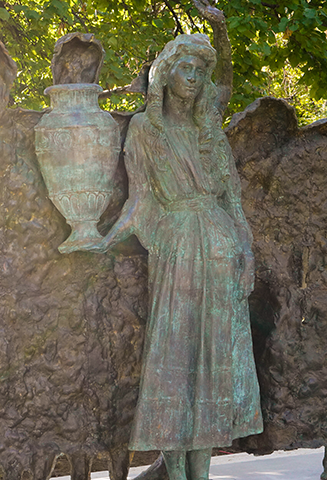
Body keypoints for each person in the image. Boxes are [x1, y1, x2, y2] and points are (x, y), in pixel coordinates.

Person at [92, 34, 261, 480]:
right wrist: (102, 237)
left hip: (219, 248)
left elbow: (233, 202)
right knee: (174, 364)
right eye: (187, 67)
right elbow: (139, 200)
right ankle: (177, 472)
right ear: (165, 73)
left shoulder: (210, 132)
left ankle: (200, 474)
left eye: (201, 71)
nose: (194, 77)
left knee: (213, 367)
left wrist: (246, 251)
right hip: (177, 248)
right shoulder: (146, 131)